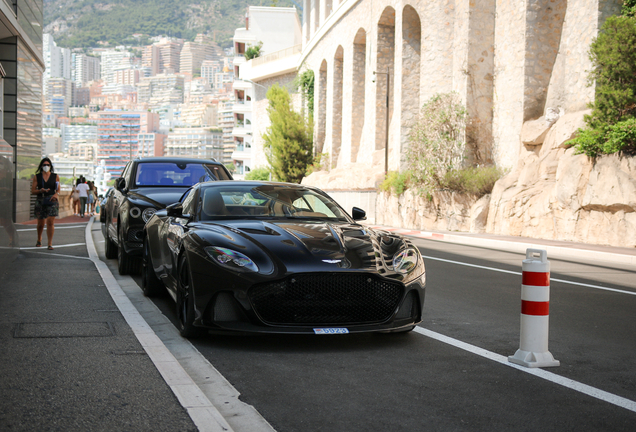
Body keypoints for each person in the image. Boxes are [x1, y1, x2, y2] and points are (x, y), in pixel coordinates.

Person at [31, 157, 60, 250]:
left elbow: (58, 188)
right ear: (41, 166)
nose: (46, 166)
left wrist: (56, 194)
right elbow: (33, 190)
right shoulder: (37, 176)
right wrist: (40, 190)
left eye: (48, 165)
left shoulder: (55, 176)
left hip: (52, 200)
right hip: (41, 200)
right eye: (44, 165)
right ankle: (39, 239)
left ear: (50, 166)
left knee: (50, 222)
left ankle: (50, 243)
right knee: (40, 223)